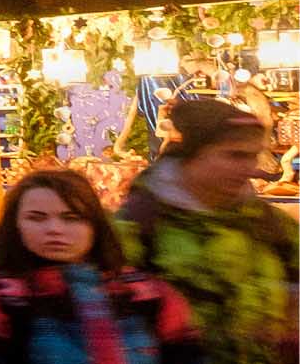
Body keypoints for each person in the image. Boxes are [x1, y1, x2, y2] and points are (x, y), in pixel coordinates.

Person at [0, 168, 200, 364]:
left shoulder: (149, 295)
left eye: (71, 218)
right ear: (16, 226)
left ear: (95, 225)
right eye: (37, 217)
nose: (54, 229)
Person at [116, 97, 295, 364]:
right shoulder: (140, 223)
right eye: (234, 155)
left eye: (252, 155)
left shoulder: (269, 221)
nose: (250, 168)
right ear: (192, 155)